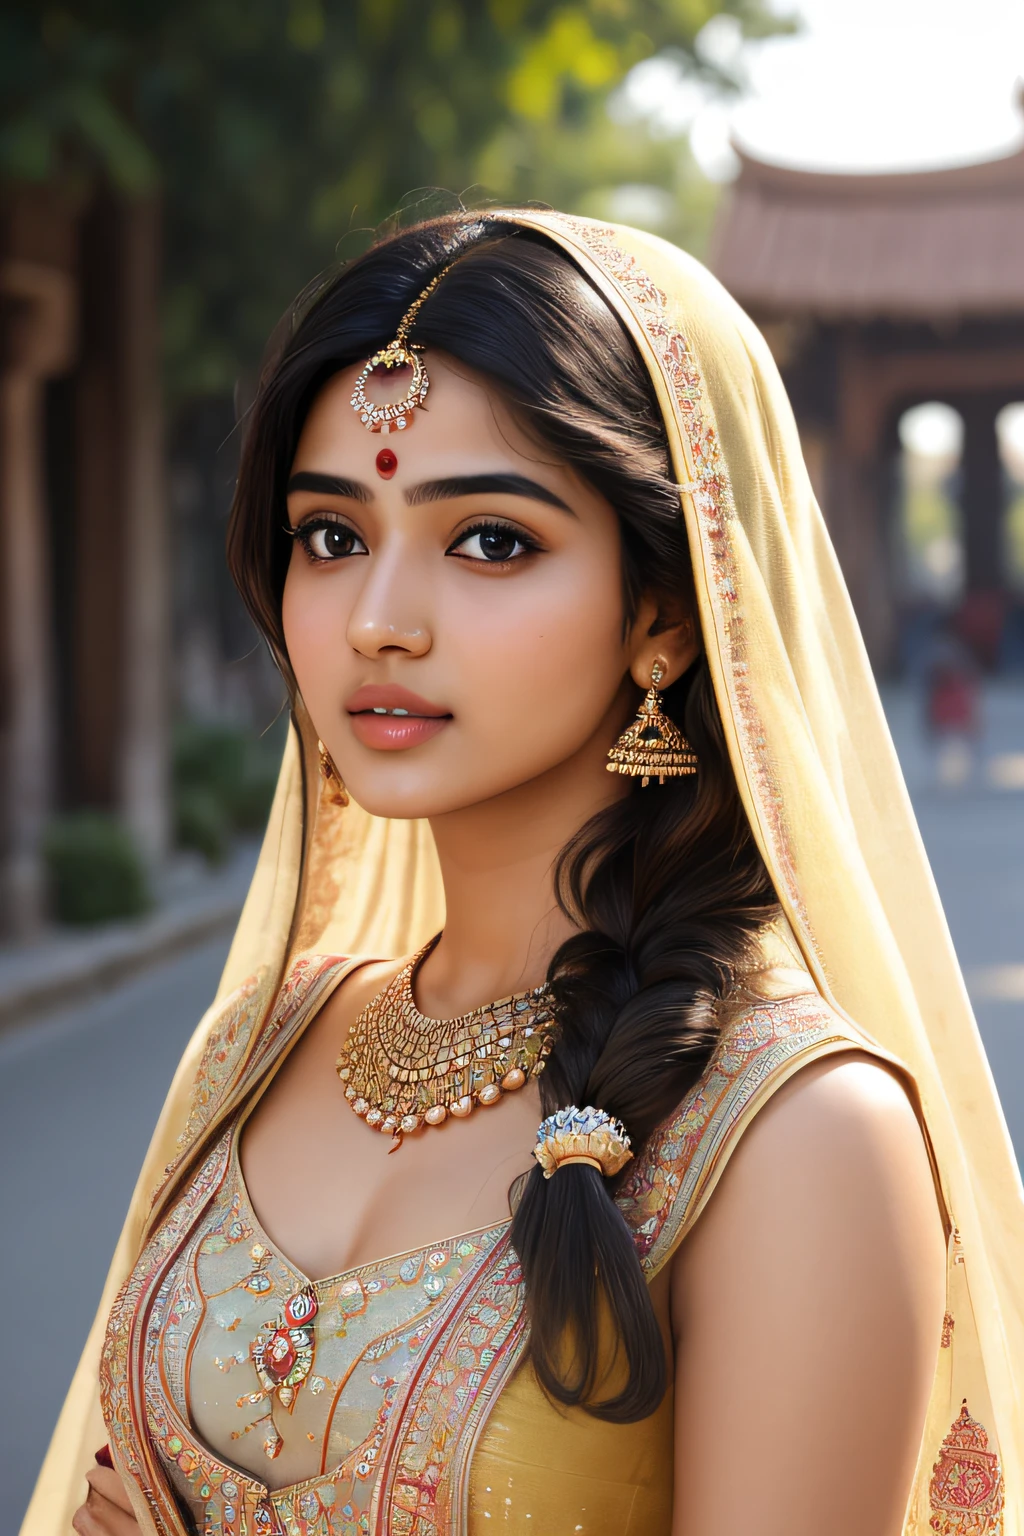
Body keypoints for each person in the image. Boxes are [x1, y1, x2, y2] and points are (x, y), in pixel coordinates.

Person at [24, 211, 1022, 1536]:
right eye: (330, 535)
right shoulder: (262, 1043)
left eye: (489, 539)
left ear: (666, 615)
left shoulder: (791, 1137)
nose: (379, 617)